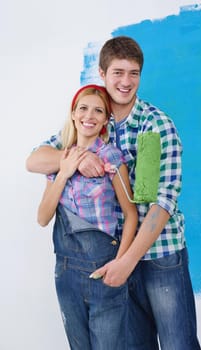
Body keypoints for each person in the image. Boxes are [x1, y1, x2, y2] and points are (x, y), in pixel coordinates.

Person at [26, 36, 201, 350]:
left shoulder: (156, 125)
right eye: (118, 72)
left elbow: (164, 201)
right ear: (102, 73)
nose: (126, 81)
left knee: (179, 344)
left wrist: (128, 261)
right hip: (110, 257)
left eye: (134, 73)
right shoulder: (92, 118)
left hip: (158, 255)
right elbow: (36, 159)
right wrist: (81, 159)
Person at [36, 84, 139, 350]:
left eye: (98, 111)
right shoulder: (59, 158)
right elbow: (43, 217)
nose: (89, 115)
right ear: (73, 114)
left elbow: (130, 215)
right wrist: (65, 170)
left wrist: (120, 263)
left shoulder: (112, 157)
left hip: (104, 270)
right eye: (83, 108)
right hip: (67, 273)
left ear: (106, 119)